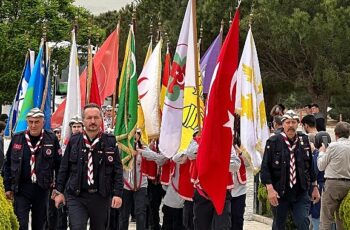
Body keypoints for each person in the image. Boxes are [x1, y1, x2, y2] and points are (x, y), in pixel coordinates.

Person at [54, 103, 123, 229]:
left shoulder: (110, 142)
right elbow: (64, 169)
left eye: (96, 118)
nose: (93, 121)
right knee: (77, 227)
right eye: (89, 118)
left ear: (101, 119)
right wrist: (59, 192)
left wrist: (118, 194)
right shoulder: (74, 141)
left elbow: (117, 171)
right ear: (83, 120)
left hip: (101, 196)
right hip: (77, 196)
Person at [3, 108, 61, 230]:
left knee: (39, 224)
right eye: (31, 122)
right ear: (27, 122)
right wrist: (8, 187)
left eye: (37, 122)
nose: (33, 125)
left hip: (42, 188)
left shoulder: (51, 138)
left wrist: (58, 188)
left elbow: (59, 165)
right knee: (21, 224)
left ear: (43, 122)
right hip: (21, 188)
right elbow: (7, 164)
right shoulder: (18, 138)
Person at [260, 110, 320, 230]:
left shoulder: (304, 141)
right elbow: (265, 167)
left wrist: (315, 187)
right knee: (279, 224)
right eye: (288, 122)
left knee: (303, 221)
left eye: (293, 122)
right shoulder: (273, 142)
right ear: (283, 124)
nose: (291, 125)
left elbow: (311, 166)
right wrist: (270, 189)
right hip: (279, 191)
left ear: (298, 124)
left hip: (300, 191)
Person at [317, 122, 350, 230]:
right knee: (341, 217)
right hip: (348, 184)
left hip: (332, 183)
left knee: (326, 217)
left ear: (336, 134)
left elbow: (321, 166)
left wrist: (321, 152)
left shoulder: (333, 146)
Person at [119, 129, 148, 230]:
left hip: (141, 185)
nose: (134, 135)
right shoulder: (122, 148)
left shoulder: (144, 147)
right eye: (133, 133)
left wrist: (142, 152)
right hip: (126, 184)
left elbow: (158, 158)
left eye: (137, 133)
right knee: (124, 214)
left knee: (140, 212)